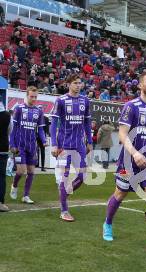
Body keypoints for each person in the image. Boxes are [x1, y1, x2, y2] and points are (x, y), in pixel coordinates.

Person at [102, 72, 146, 255]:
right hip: (129, 160)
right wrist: (134, 154)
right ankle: (108, 223)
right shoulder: (131, 106)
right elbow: (122, 134)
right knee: (120, 194)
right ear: (140, 86)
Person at [50, 74, 93, 222]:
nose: (78, 85)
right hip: (64, 145)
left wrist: (90, 141)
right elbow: (54, 123)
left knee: (82, 176)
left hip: (80, 145)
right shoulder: (61, 101)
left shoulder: (85, 101)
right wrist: (54, 144)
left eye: (80, 83)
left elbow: (87, 123)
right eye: (75, 83)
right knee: (65, 177)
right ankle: (64, 210)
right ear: (68, 84)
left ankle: (63, 195)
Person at [9, 87, 46, 204]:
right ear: (27, 95)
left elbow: (40, 129)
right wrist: (12, 144)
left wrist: (44, 140)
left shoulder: (39, 111)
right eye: (32, 96)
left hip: (32, 146)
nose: (34, 99)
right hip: (19, 146)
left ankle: (26, 195)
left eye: (36, 97)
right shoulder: (19, 109)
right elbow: (13, 129)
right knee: (21, 171)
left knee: (31, 172)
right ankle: (14, 185)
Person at [0, 94, 10, 211]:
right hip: (2, 148)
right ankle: (0, 203)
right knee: (1, 177)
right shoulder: (7, 115)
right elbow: (9, 131)